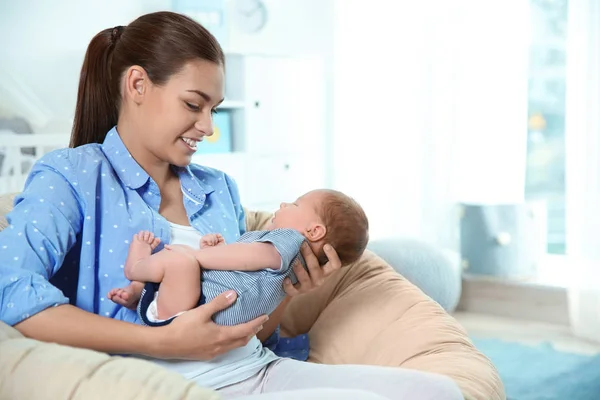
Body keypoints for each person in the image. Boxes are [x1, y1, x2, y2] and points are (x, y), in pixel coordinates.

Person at [0, 11, 463, 399]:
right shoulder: (73, 176)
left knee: (444, 392)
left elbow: (245, 326)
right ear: (137, 85)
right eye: (193, 104)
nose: (208, 127)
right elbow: (13, 294)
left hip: (255, 370)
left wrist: (285, 291)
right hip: (165, 384)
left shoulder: (219, 188)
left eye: (214, 109)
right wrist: (159, 341)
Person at [108, 189, 369, 327]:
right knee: (182, 270)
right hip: (195, 313)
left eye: (294, 204)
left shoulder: (290, 240)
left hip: (191, 311)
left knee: (181, 260)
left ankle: (137, 268)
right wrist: (219, 250)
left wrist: (200, 255)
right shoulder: (292, 265)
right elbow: (244, 269)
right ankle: (136, 296)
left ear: (313, 231)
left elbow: (248, 257)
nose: (282, 205)